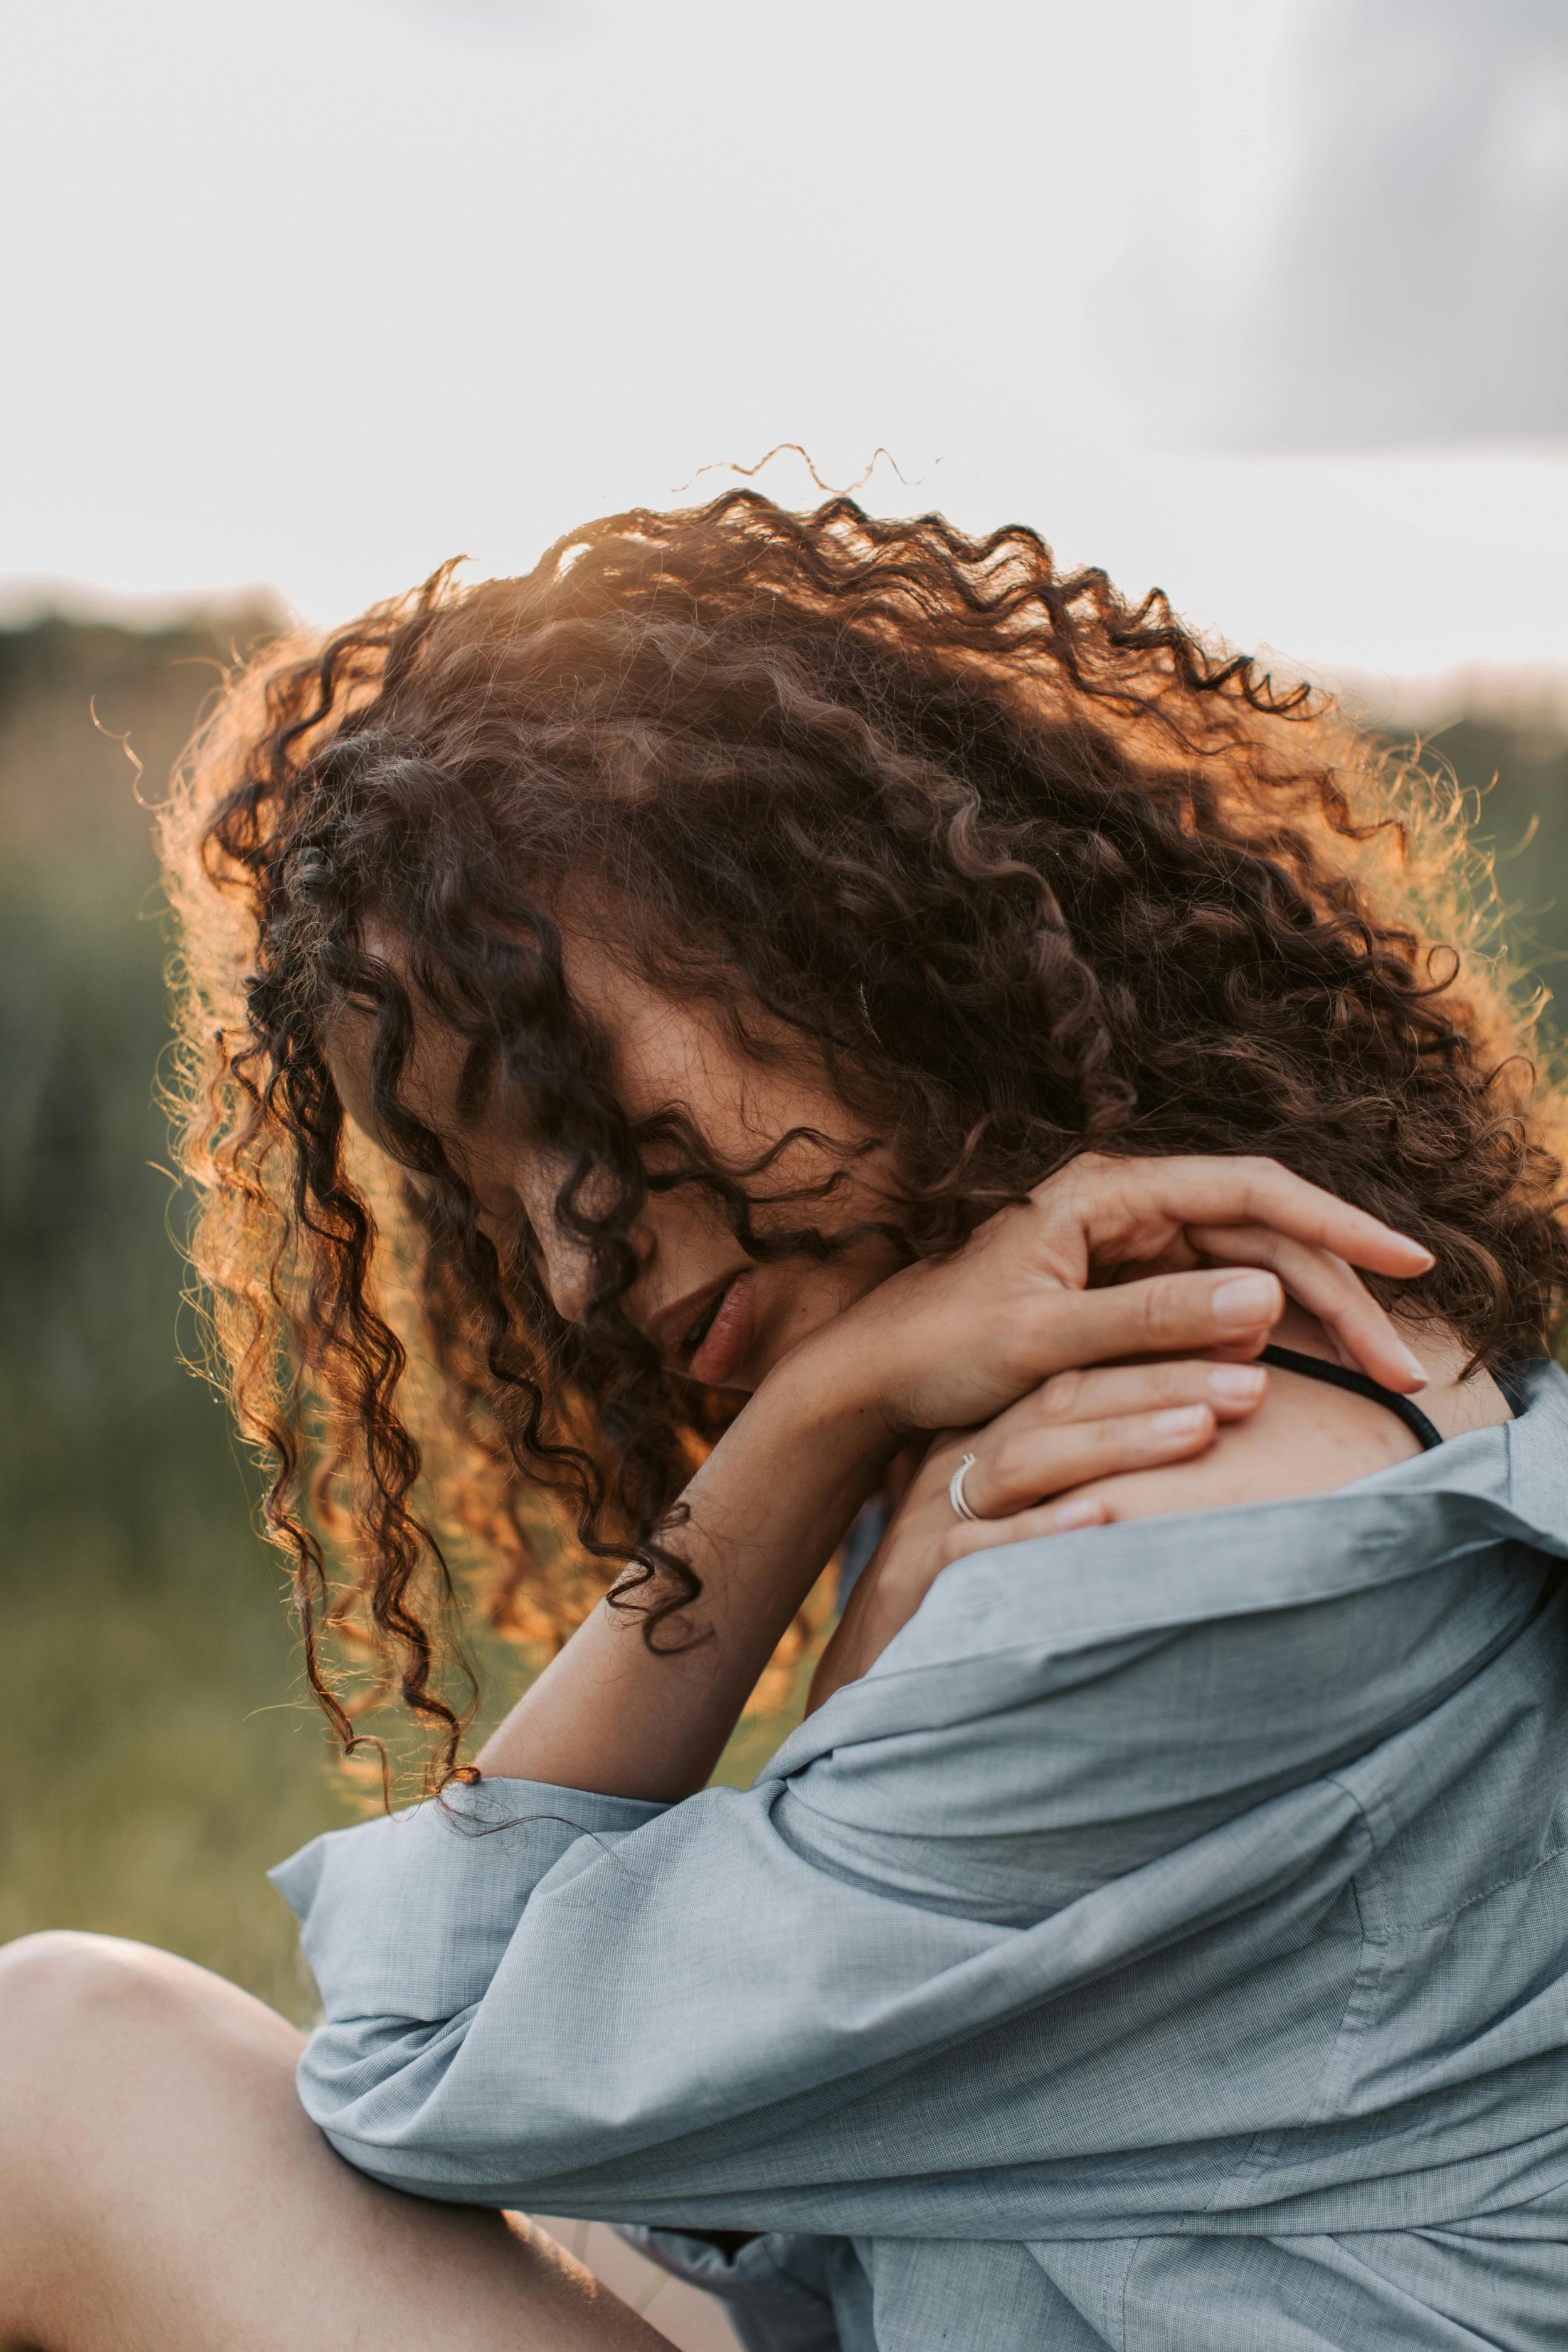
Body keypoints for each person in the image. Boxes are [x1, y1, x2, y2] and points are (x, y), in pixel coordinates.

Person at [1, 495, 1564, 2351]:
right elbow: (752, 2221)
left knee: (64, 2073)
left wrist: (807, 1416)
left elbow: (421, 2069)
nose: (574, 1273)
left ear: (840, 924)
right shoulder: (1181, 1384)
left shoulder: (1188, 1473)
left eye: (577, 1105)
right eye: (501, 1198)